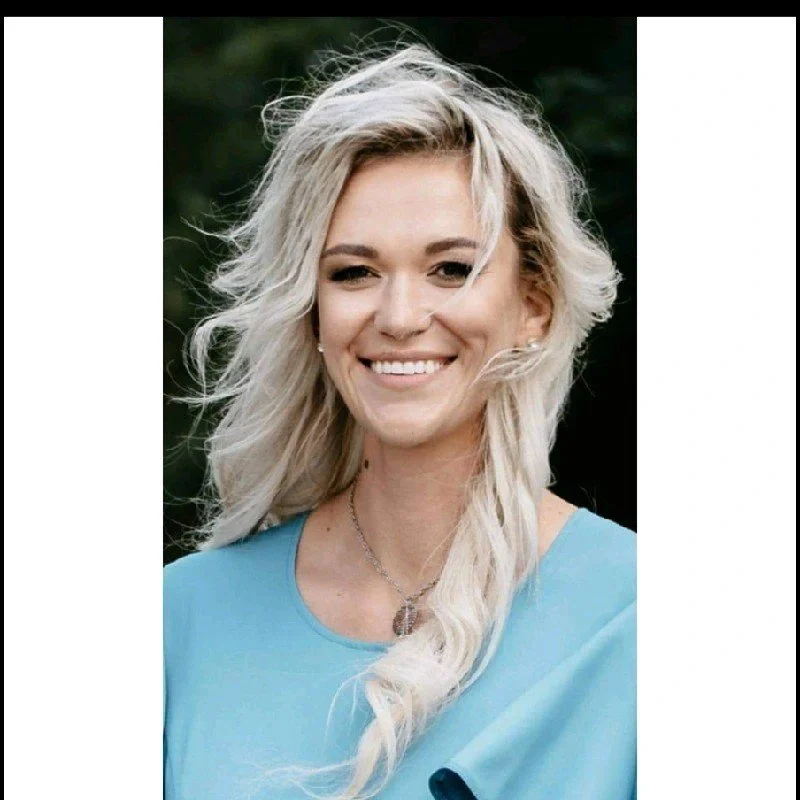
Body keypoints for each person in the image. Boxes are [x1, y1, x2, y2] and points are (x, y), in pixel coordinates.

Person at [164, 42, 636, 800]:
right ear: (312, 313)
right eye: (354, 272)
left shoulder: (639, 616)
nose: (400, 316)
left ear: (534, 306)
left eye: (452, 269)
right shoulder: (179, 619)